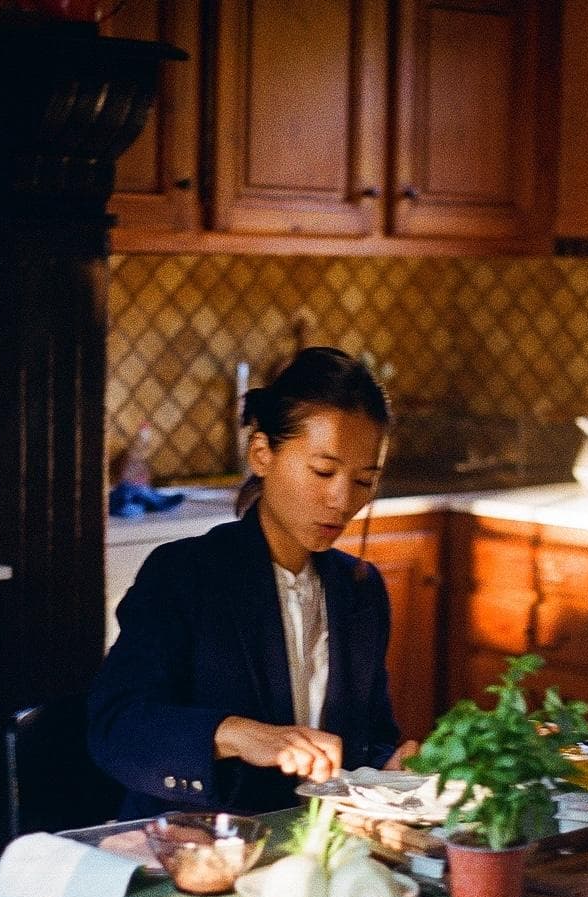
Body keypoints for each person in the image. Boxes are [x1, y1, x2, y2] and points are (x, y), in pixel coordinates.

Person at [88, 346, 419, 819]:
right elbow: (116, 727)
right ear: (262, 453)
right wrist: (237, 733)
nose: (343, 501)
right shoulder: (186, 575)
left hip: (306, 854)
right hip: (195, 849)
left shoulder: (360, 590)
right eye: (323, 471)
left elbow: (367, 739)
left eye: (365, 480)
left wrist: (389, 767)